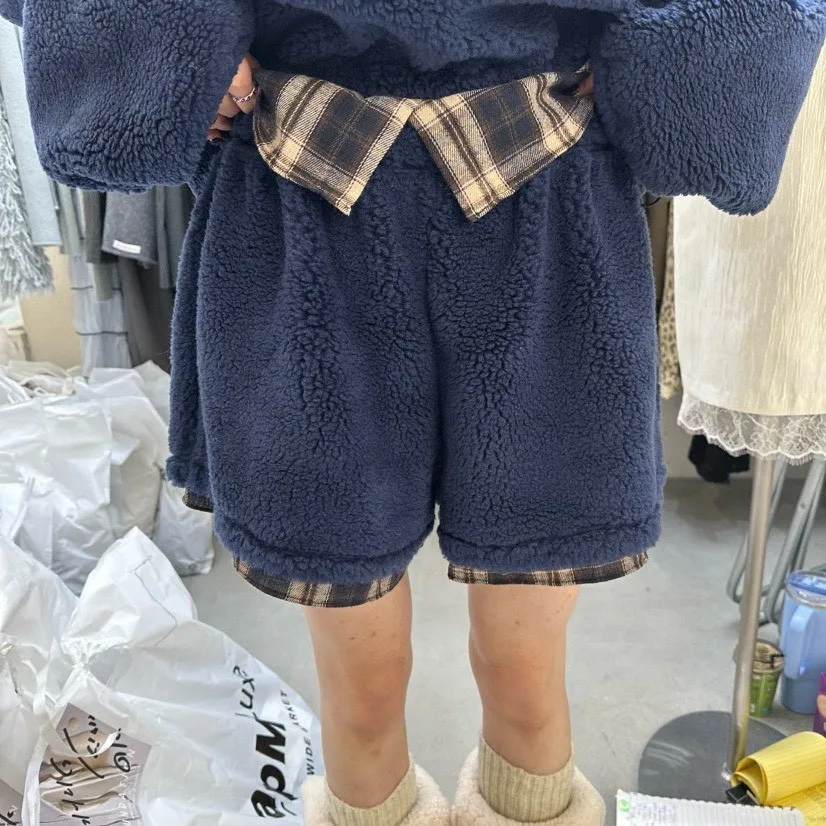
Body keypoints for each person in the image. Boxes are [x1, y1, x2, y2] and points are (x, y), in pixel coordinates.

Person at [3, 1, 823, 824]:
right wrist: (166, 42)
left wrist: (667, 70)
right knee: (360, 689)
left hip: (544, 182)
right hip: (303, 190)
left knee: (526, 675)